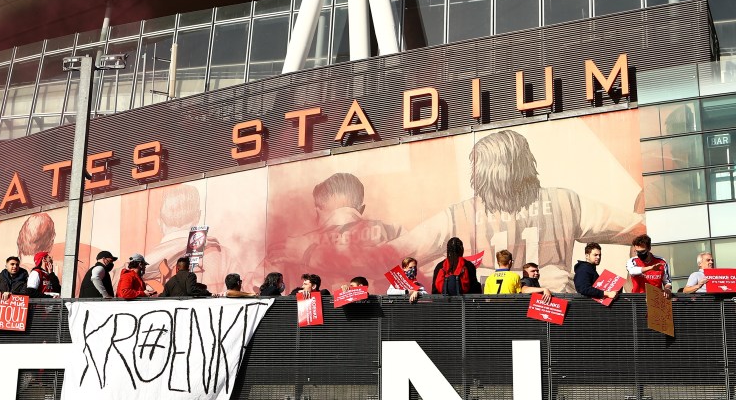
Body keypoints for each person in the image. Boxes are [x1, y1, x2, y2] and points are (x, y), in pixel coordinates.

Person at [390, 129, 645, 292]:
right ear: (526, 163)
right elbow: (639, 229)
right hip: (555, 310)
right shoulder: (565, 202)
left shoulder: (459, 216)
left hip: (488, 318)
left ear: (482, 173)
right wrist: (635, 284)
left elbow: (390, 256)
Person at [268, 172, 402, 293]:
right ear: (361, 209)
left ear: (318, 211)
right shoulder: (393, 232)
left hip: (316, 316)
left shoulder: (291, 247)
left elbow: (258, 286)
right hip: (377, 314)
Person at [484, 250, 552, 302]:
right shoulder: (515, 276)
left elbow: (487, 298)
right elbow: (519, 293)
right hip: (509, 309)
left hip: (494, 310)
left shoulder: (489, 278)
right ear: (510, 262)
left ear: (498, 262)